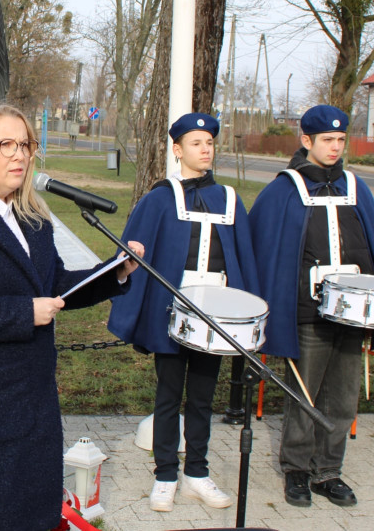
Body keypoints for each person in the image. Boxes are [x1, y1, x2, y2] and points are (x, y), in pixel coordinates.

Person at [0, 103, 143, 530]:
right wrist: (24, 313)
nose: (20, 155)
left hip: (30, 400)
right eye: (6, 145)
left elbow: (54, 286)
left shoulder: (32, 219)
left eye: (26, 144)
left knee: (31, 515)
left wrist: (113, 274)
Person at [249, 105, 374, 508]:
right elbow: (265, 248)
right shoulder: (285, 189)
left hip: (353, 312)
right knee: (304, 392)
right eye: (327, 140)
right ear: (306, 141)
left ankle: (328, 470)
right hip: (306, 311)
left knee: (342, 397)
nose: (335, 147)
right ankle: (295, 469)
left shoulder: (355, 186)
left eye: (340, 140)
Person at [107, 113, 261, 512]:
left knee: (203, 398)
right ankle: (165, 474)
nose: (205, 148)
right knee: (168, 395)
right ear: (177, 150)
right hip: (171, 314)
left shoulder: (229, 199)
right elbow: (133, 255)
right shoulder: (159, 197)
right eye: (195, 143)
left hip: (215, 316)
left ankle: (197, 472)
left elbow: (243, 259)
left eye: (209, 142)